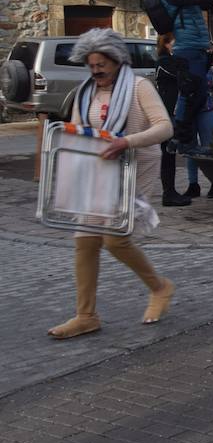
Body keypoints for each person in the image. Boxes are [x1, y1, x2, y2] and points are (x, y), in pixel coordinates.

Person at [46, 29, 176, 339]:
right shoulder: (85, 92)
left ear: (116, 61)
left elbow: (165, 128)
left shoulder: (139, 87)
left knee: (114, 239)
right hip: (98, 170)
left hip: (136, 167)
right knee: (86, 240)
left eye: (101, 65)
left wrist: (125, 141)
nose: (96, 72)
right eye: (91, 66)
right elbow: (79, 131)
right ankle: (86, 315)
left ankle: (160, 288)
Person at [151, 0, 213, 197]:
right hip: (188, 48)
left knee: (197, 91)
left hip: (196, 49)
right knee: (191, 90)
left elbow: (206, 2)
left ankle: (182, 139)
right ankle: (180, 138)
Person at [153, 33, 191, 208]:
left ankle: (171, 191)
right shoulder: (163, 61)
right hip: (167, 112)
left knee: (171, 152)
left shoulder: (171, 60)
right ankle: (168, 193)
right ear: (167, 44)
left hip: (173, 111)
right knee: (167, 152)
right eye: (176, 41)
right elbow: (180, 73)